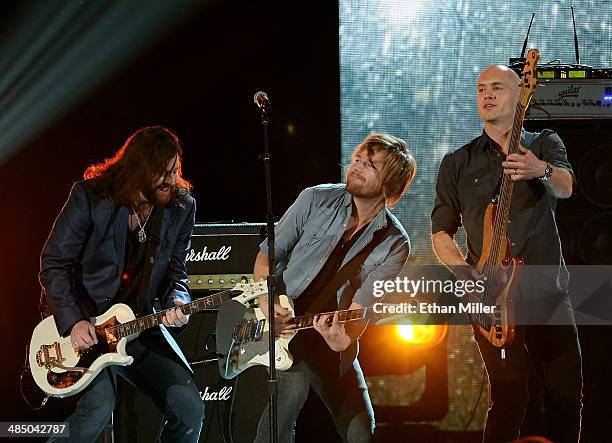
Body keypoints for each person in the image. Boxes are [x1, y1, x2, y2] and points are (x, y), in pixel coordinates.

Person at [431, 65, 582, 443]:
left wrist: (540, 169)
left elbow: (565, 187)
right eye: (481, 88)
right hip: (491, 298)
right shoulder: (457, 162)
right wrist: (467, 277)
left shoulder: (544, 142)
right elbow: (440, 234)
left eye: (498, 87)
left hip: (547, 293)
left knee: (564, 394)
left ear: (520, 95)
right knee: (510, 396)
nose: (487, 95)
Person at [39, 126, 204, 442]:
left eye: (174, 170)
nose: (170, 180)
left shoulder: (181, 208)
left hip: (137, 324)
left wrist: (178, 302)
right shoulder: (90, 197)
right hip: (85, 326)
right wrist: (74, 321)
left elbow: (176, 274)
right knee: (99, 407)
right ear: (138, 169)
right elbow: (54, 264)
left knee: (188, 409)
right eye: (161, 172)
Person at [252, 133, 416, 443]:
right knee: (285, 409)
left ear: (390, 186)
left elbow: (356, 321)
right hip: (285, 330)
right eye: (357, 159)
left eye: (371, 166)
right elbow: (264, 259)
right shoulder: (314, 199)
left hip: (330, 338)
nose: (357, 167)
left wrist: (339, 340)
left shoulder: (395, 243)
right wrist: (266, 306)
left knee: (361, 431)